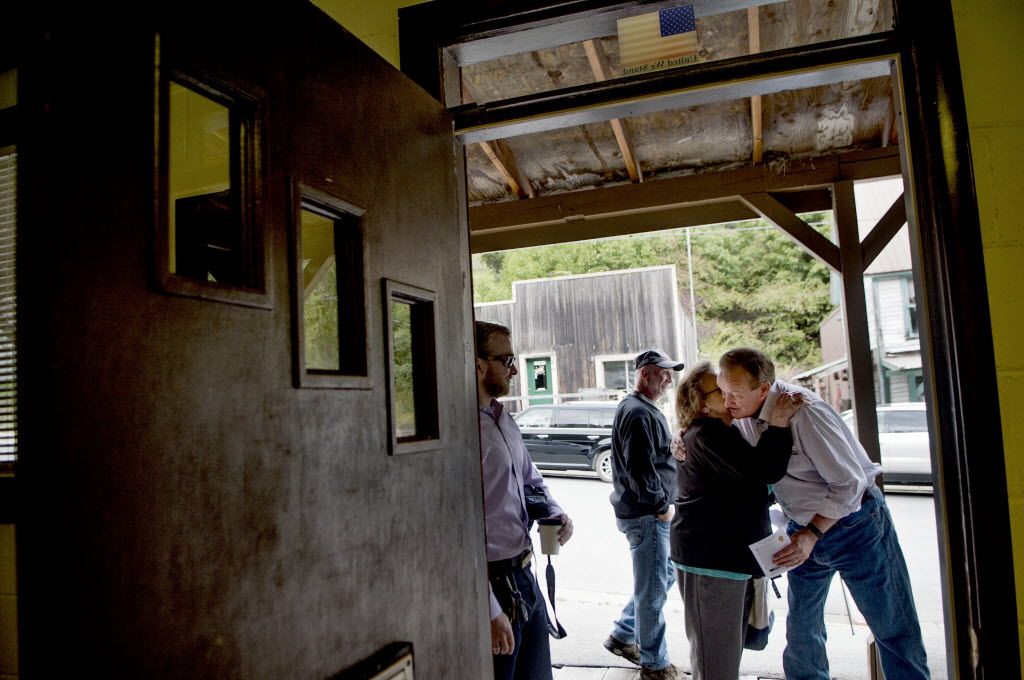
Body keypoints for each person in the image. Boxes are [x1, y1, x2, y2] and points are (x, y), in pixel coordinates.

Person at [717, 347, 930, 680]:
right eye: (722, 391)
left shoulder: (806, 413)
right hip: (800, 525)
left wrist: (812, 534)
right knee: (802, 635)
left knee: (892, 628)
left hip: (854, 525)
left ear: (763, 388)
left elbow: (850, 484)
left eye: (735, 394)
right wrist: (680, 441)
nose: (727, 402)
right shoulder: (741, 413)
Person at [670, 361, 802, 680]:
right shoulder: (708, 434)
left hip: (724, 560)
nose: (728, 394)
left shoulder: (718, 432)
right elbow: (763, 470)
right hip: (711, 563)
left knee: (723, 656)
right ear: (702, 403)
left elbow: (744, 482)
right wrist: (779, 424)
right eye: (720, 390)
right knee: (716, 663)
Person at [475, 321, 574, 680]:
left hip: (525, 575)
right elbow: (452, 531)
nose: (515, 370)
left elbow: (530, 478)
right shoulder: (462, 433)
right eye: (506, 360)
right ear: (478, 365)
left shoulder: (504, 418)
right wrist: (488, 609)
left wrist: (555, 511)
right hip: (492, 584)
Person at [605, 349, 686, 680]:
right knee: (652, 591)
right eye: (664, 373)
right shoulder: (638, 413)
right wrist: (660, 506)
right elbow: (640, 468)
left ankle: (623, 634)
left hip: (645, 514)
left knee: (662, 576)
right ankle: (655, 665)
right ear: (645, 373)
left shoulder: (641, 408)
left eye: (670, 373)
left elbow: (652, 459)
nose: (669, 379)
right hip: (648, 516)